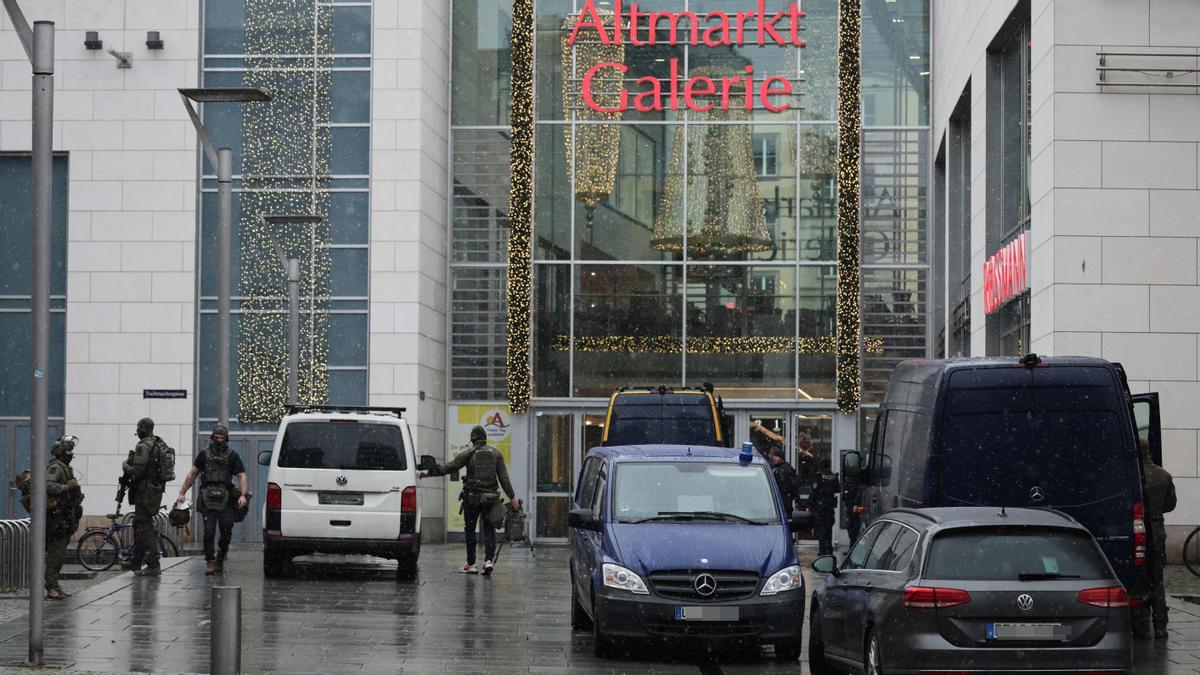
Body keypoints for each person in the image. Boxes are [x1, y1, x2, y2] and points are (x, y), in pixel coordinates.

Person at [419, 425, 519, 575]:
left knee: (470, 530)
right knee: (489, 528)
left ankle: (471, 564)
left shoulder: (468, 454)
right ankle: (488, 561)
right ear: (485, 438)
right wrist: (512, 497)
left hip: (472, 499)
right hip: (490, 500)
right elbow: (504, 478)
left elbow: (450, 467)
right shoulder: (496, 454)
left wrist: (429, 473)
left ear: (473, 440)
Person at [176, 425, 248, 575]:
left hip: (226, 498)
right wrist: (182, 492)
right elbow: (192, 474)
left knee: (226, 530)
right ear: (212, 438)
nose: (219, 441)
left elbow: (241, 475)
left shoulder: (232, 455)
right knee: (209, 531)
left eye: (222, 438)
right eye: (216, 438)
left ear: (226, 439)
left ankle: (221, 556)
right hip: (207, 497)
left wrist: (243, 494)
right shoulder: (204, 454)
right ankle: (210, 560)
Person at [1133, 439, 1177, 640]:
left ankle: (1141, 626)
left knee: (1139, 577)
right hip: (1158, 529)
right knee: (1158, 580)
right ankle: (1160, 626)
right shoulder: (1163, 475)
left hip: (1137, 528)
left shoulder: (1133, 475)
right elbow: (1171, 504)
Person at [122, 417, 167, 576]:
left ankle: (153, 564)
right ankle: (136, 561)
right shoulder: (159, 444)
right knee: (140, 524)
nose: (137, 431)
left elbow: (137, 470)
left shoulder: (143, 446)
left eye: (138, 427)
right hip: (155, 490)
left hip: (145, 491)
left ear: (143, 428)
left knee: (144, 525)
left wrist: (125, 465)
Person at [45, 435, 84, 600]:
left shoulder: (66, 468)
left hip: (66, 516)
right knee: (55, 553)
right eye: (67, 450)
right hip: (56, 516)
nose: (70, 453)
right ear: (59, 452)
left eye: (71, 450)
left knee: (61, 553)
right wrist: (67, 486)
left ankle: (55, 584)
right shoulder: (55, 467)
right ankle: (50, 585)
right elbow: (48, 485)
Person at [807, 459, 840, 556]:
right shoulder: (834, 476)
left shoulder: (819, 475)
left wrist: (809, 504)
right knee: (828, 528)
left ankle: (823, 551)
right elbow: (838, 489)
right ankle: (829, 550)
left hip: (820, 507)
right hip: (830, 506)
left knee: (821, 529)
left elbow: (814, 491)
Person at [768, 447, 799, 519]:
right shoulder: (771, 467)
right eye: (773, 456)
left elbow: (794, 484)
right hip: (774, 500)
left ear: (781, 457)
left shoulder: (788, 468)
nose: (774, 458)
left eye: (776, 456)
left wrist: (796, 498)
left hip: (786, 501)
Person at [842, 474, 863, 545]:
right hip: (849, 509)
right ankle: (852, 544)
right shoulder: (847, 485)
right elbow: (844, 497)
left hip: (856, 510)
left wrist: (856, 504)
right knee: (850, 527)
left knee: (855, 528)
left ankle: (853, 545)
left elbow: (860, 494)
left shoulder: (857, 486)